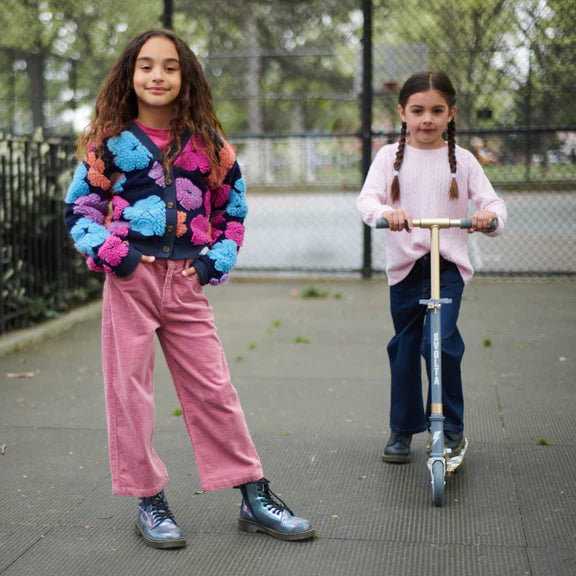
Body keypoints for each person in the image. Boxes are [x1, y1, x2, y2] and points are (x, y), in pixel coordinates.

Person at [64, 29, 315, 548]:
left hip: (185, 283)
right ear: (130, 75)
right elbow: (80, 211)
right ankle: (148, 499)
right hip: (130, 282)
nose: (158, 76)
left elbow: (233, 210)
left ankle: (253, 492)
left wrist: (209, 264)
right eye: (147, 66)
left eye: (171, 67)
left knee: (214, 388)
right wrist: (121, 256)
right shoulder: (108, 143)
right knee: (129, 392)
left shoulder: (208, 143)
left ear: (186, 77)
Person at [356, 71, 507, 465]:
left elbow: (493, 204)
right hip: (406, 266)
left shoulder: (464, 161)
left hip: (448, 264)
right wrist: (387, 213)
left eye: (437, 111)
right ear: (402, 112)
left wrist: (487, 218)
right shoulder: (388, 157)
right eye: (418, 110)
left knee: (438, 343)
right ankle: (402, 430)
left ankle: (451, 428)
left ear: (451, 113)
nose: (427, 119)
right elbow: (367, 201)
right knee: (406, 347)